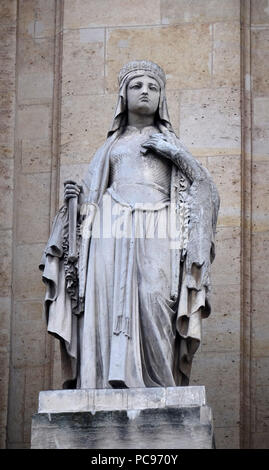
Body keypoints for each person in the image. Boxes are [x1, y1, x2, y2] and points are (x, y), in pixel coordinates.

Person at [40, 60, 220, 389]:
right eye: (137, 86)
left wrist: (175, 154)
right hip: (110, 223)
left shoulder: (171, 142)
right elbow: (91, 197)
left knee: (154, 295)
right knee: (104, 302)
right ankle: (101, 380)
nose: (145, 92)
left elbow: (204, 187)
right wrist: (74, 202)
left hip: (159, 226)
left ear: (161, 98)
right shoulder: (110, 146)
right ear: (124, 95)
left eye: (153, 87)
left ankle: (159, 384)